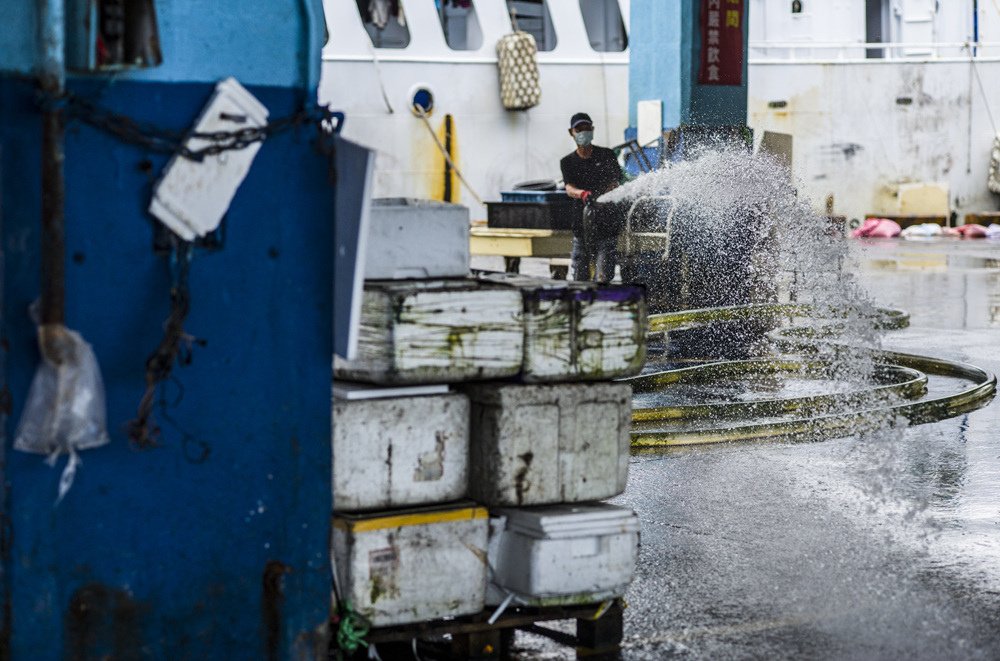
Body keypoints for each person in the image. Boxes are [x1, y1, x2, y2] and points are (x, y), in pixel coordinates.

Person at [560, 112, 624, 282]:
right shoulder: (567, 162)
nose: (583, 132)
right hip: (581, 228)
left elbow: (615, 182)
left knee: (603, 278)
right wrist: (582, 194)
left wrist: (602, 197)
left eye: (586, 128)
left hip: (607, 225)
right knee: (579, 280)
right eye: (579, 129)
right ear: (571, 132)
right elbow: (569, 188)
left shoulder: (607, 155)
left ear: (593, 129)